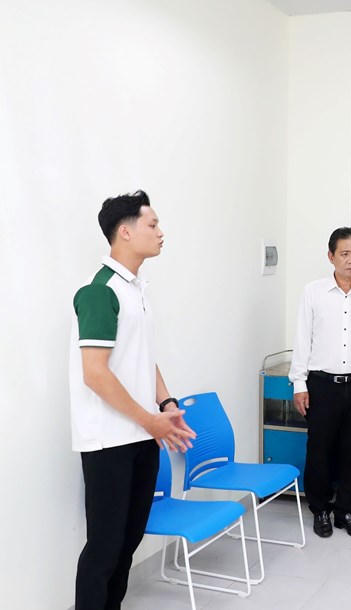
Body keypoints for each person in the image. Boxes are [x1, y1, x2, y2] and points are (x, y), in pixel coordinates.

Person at [71, 191, 197, 610]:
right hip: (108, 441)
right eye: (152, 224)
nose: (161, 233)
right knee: (104, 548)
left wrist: (166, 405)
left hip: (141, 435)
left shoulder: (135, 290)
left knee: (128, 541)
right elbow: (95, 373)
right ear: (124, 232)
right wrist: (149, 420)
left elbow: (142, 357)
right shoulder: (99, 292)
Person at [290, 227, 351, 540]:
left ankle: (346, 510)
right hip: (322, 384)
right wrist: (299, 383)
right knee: (319, 450)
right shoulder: (313, 292)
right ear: (331, 256)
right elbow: (302, 339)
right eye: (345, 254)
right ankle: (320, 508)